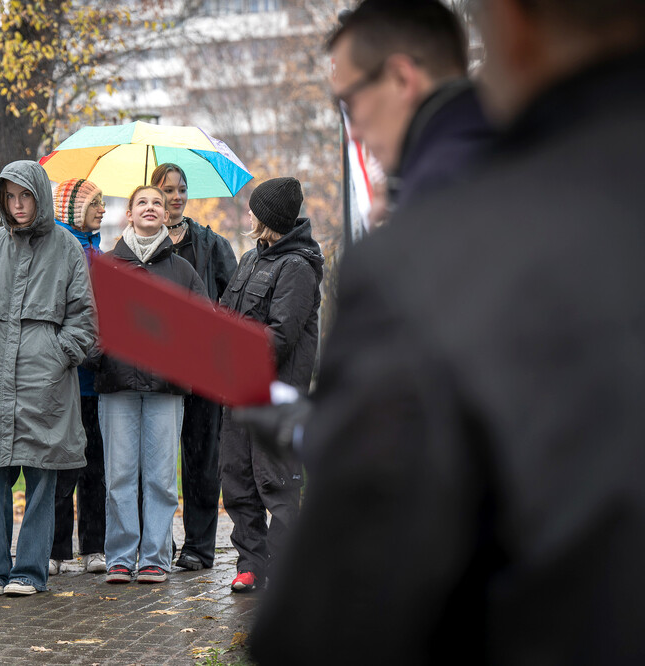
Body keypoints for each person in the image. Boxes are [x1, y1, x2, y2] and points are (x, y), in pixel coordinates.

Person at [247, 0, 645, 662]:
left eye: (350, 101)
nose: (355, 127)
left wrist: (327, 432)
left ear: (514, 26)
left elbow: (331, 614)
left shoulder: (434, 255)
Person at [0, 160, 96, 597]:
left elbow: (85, 323)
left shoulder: (67, 247)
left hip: (45, 383)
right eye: (9, 197)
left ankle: (30, 572)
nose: (17, 205)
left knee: (42, 478)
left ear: (39, 196)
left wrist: (56, 356)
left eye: (25, 196)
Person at [91, 185, 205, 585]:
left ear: (166, 213)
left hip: (166, 388)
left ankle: (156, 557)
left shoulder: (182, 271)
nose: (151, 207)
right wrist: (102, 349)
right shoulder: (105, 266)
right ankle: (120, 557)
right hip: (117, 384)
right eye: (143, 202)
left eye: (158, 202)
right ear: (129, 214)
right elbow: (88, 320)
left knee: (160, 477)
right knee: (119, 475)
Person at [218, 177, 322, 594]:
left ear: (268, 218)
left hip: (274, 395)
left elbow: (279, 337)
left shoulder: (297, 267)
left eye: (254, 209)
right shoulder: (250, 259)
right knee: (238, 481)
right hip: (238, 391)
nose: (248, 214)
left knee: (277, 484)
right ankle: (251, 565)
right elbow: (225, 312)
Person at [150, 163, 238, 571]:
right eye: (167, 189)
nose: (176, 195)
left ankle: (199, 548)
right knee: (157, 462)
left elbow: (235, 303)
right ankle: (157, 544)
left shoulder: (211, 245)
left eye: (181, 188)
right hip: (155, 374)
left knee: (202, 461)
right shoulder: (139, 247)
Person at [329, 0, 493, 212]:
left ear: (401, 79)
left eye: (350, 104)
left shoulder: (433, 203)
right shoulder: (528, 152)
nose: (353, 134)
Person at [49, 178, 108, 576]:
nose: (102, 210)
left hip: (97, 381)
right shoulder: (58, 251)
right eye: (95, 204)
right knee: (59, 465)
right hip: (65, 378)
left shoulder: (103, 252)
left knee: (96, 466)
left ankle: (94, 546)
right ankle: (55, 550)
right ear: (72, 209)